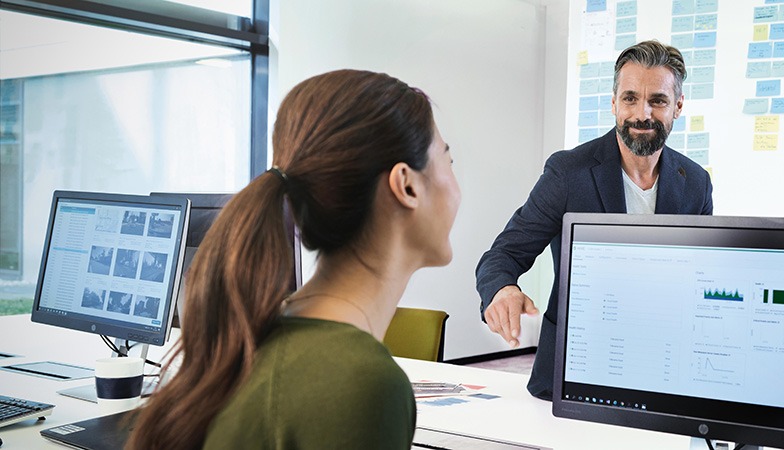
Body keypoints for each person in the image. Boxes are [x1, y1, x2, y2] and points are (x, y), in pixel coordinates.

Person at [128, 69, 459, 449]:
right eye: (448, 161)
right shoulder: (356, 380)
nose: (455, 183)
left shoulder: (261, 331)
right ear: (407, 185)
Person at [476, 40, 713, 400]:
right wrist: (502, 289)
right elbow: (503, 254)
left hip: (663, 369)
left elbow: (702, 279)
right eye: (630, 98)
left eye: (658, 101)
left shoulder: (695, 182)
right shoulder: (568, 173)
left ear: (678, 106)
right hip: (574, 370)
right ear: (614, 102)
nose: (642, 114)